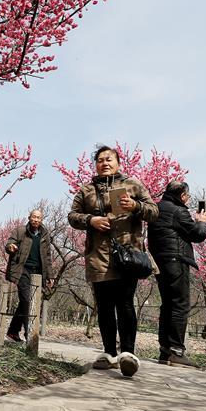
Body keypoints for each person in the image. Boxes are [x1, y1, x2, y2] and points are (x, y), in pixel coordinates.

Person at [67, 145, 159, 377]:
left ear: (118, 162)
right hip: (98, 255)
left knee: (125, 302)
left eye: (109, 159)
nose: (104, 163)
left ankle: (128, 353)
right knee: (105, 306)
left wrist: (135, 206)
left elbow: (154, 211)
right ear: (95, 164)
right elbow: (72, 216)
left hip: (128, 254)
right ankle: (109, 353)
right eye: (100, 160)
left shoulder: (133, 184)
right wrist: (91, 220)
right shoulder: (86, 189)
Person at [148, 180, 206, 368]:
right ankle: (176, 351)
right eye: (187, 196)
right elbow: (197, 235)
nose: (188, 199)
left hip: (160, 262)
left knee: (168, 305)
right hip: (176, 261)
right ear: (182, 195)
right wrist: (202, 222)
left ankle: (165, 351)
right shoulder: (178, 210)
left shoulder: (156, 208)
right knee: (180, 305)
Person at [4, 209, 52, 343]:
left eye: (39, 218)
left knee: (27, 302)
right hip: (22, 270)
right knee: (27, 301)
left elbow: (48, 257)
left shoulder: (45, 234)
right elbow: (9, 244)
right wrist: (11, 247)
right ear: (29, 218)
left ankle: (13, 332)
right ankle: (29, 334)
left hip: (38, 272)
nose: (36, 220)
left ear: (41, 220)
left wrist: (50, 276)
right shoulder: (20, 231)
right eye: (34, 217)